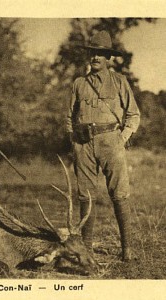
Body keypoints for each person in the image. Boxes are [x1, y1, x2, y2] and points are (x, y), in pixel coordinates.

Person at [66, 30, 140, 261]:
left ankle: (127, 249)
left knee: (119, 194)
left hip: (111, 141)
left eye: (100, 54)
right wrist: (75, 142)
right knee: (85, 195)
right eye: (92, 53)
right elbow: (68, 117)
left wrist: (122, 138)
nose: (95, 58)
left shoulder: (119, 81)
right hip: (84, 144)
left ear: (108, 57)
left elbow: (133, 114)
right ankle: (86, 248)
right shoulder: (79, 83)